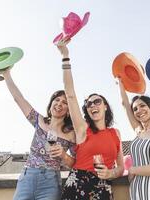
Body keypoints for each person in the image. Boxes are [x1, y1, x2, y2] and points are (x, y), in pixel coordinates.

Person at [56, 40, 124, 200]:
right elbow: (70, 93)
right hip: (78, 185)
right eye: (88, 104)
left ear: (105, 106)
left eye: (97, 101)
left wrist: (110, 173)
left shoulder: (116, 133)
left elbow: (120, 168)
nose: (92, 105)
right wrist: (65, 56)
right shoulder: (82, 128)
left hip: (103, 188)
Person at [1, 69, 76, 200]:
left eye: (64, 102)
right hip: (27, 177)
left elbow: (75, 164)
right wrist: (6, 74)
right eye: (57, 100)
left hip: (50, 182)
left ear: (69, 111)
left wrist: (64, 155)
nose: (59, 104)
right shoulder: (39, 120)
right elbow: (18, 98)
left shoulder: (71, 134)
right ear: (51, 103)